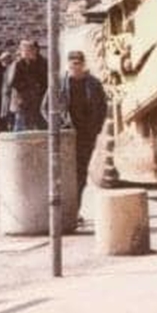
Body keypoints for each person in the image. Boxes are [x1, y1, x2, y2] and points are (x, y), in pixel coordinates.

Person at [43, 51, 107, 207]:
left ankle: (74, 209)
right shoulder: (59, 84)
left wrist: (96, 128)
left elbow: (103, 108)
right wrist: (58, 126)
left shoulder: (94, 84)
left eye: (78, 63)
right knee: (64, 173)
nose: (75, 67)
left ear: (84, 64)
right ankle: (62, 210)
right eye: (73, 64)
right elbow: (44, 108)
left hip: (86, 135)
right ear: (68, 64)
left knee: (80, 174)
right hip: (65, 135)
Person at [5, 40, 48, 131]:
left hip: (36, 100)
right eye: (26, 50)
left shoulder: (40, 63)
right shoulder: (17, 64)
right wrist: (27, 87)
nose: (28, 53)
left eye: (31, 50)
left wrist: (38, 88)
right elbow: (12, 82)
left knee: (38, 127)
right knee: (20, 126)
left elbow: (44, 79)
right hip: (21, 101)